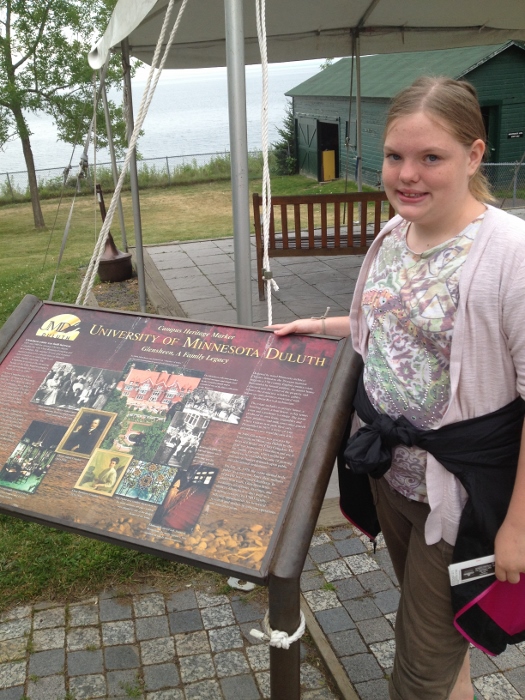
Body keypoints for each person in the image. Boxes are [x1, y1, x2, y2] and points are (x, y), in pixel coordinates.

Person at [270, 76, 525, 700]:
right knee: (444, 640)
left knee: (417, 675)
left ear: (473, 155)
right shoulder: (393, 235)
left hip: (463, 504)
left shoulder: (512, 256)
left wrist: (517, 528)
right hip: (394, 481)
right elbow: (385, 318)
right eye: (394, 156)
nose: (406, 175)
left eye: (430, 157)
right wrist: (325, 326)